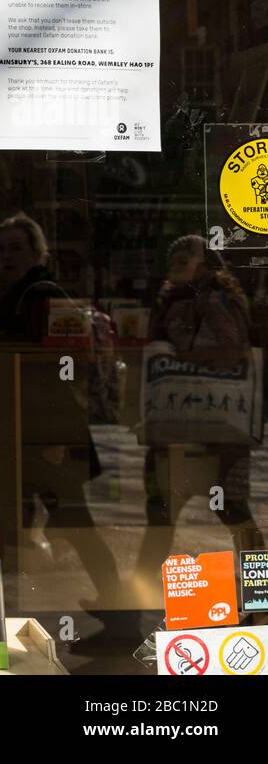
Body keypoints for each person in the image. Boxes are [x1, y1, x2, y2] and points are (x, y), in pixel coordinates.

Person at [0, 212, 122, 619]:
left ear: (37, 251)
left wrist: (54, 439)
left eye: (16, 248)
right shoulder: (21, 292)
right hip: (22, 429)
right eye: (1, 249)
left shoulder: (40, 292)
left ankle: (118, 609)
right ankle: (111, 607)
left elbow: (61, 364)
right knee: (32, 523)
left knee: (72, 522)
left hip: (40, 433)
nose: (7, 256)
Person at [137, 235, 265, 579]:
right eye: (173, 262)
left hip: (211, 427)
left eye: (184, 262)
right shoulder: (175, 299)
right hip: (202, 423)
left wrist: (180, 359)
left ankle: (261, 596)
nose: (175, 269)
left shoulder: (215, 300)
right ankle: (140, 597)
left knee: (229, 511)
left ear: (205, 266)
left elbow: (232, 351)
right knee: (169, 513)